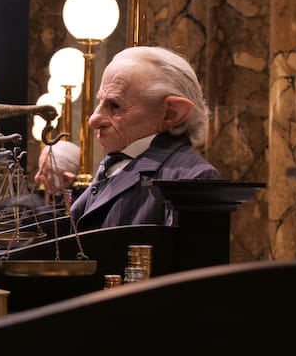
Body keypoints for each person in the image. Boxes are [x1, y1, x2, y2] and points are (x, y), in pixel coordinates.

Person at [69, 46, 220, 232]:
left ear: (171, 114)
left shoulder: (193, 178)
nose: (93, 120)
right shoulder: (119, 159)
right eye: (100, 102)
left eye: (115, 105)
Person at [34, 140, 81, 209]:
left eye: (45, 174)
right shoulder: (46, 196)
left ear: (66, 178)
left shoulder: (78, 201)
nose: (37, 177)